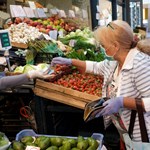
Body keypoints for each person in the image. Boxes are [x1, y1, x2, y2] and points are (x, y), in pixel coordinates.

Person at [51, 20, 150, 148]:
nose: (102, 49)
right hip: (127, 132)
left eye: (103, 45)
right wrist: (70, 61)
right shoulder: (117, 62)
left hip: (144, 134)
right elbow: (96, 67)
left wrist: (121, 102)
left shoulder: (140, 64)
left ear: (115, 46)